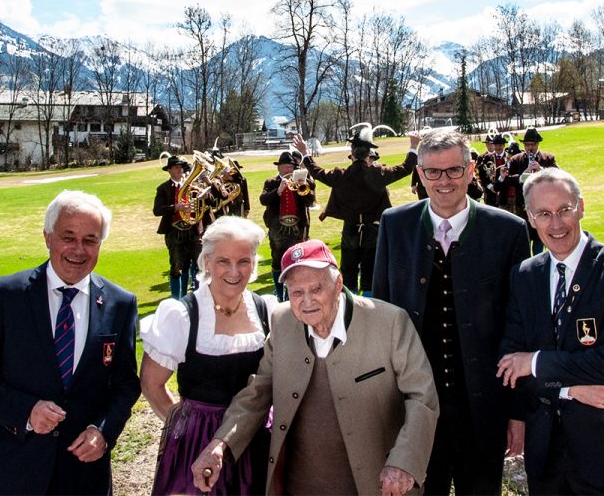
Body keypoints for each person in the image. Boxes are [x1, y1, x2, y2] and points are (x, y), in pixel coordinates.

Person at [191, 239, 439, 496]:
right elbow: (258, 392)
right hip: (301, 485)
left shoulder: (390, 322)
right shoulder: (282, 321)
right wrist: (220, 445)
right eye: (297, 292)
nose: (307, 301)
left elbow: (422, 397)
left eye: (317, 288)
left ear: (338, 284)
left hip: (378, 484)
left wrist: (403, 462)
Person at [373, 129, 531, 495]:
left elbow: (521, 327)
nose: (444, 181)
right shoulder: (395, 226)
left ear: (471, 169)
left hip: (484, 406)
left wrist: (517, 411)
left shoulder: (508, 231)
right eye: (433, 172)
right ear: (420, 173)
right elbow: (381, 317)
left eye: (454, 170)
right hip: (415, 408)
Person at [0, 190, 141, 495]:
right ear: (47, 237)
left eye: (90, 240)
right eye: (68, 237)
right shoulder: (8, 296)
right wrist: (26, 411)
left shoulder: (119, 304)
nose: (78, 250)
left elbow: (125, 384)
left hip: (84, 474)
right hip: (16, 470)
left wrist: (104, 432)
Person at [496, 168, 604, 495]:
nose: (555, 224)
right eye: (543, 214)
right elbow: (509, 362)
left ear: (582, 207)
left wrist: (534, 362)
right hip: (546, 452)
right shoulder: (524, 275)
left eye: (564, 210)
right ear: (530, 218)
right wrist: (569, 390)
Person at [139, 217, 275, 495]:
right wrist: (183, 430)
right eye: (224, 261)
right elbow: (151, 384)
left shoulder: (266, 310)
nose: (234, 271)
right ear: (207, 262)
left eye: (244, 261)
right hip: (198, 439)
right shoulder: (182, 315)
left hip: (255, 434)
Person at [293, 124, 419, 296]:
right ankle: (369, 303)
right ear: (369, 154)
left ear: (351, 153)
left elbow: (317, 172)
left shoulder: (341, 175)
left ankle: (350, 305)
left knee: (349, 272)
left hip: (351, 229)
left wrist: (305, 152)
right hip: (373, 230)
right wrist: (413, 147)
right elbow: (406, 168)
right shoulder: (379, 173)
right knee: (370, 273)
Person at [260, 150, 316, 300]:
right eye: (284, 167)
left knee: (298, 260)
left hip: (298, 229)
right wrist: (278, 191)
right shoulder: (271, 182)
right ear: (279, 168)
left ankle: (294, 292)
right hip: (277, 229)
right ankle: (279, 294)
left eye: (290, 167)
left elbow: (311, 201)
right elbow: (263, 200)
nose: (288, 170)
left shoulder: (302, 181)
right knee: (277, 260)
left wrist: (302, 187)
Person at [154, 155, 203, 299]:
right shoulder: (163, 188)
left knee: (199, 264)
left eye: (181, 167)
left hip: (192, 230)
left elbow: (206, 205)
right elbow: (157, 210)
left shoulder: (192, 186)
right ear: (169, 170)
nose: (180, 169)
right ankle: (178, 298)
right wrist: (175, 207)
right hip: (174, 231)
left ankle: (197, 297)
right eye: (176, 167)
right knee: (177, 266)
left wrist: (202, 199)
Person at [504, 127, 558, 255]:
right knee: (524, 241)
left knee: (540, 241)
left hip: (543, 207)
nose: (530, 148)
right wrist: (522, 176)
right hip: (522, 208)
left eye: (532, 144)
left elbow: (559, 176)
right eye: (527, 145)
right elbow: (506, 180)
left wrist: (542, 170)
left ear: (537, 144)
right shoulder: (516, 160)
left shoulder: (548, 158)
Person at [479, 132, 507, 207]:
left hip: (505, 192)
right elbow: (482, 174)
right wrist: (490, 186)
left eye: (500, 145)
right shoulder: (487, 158)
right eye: (496, 145)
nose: (498, 147)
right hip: (491, 193)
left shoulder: (508, 157)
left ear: (504, 145)